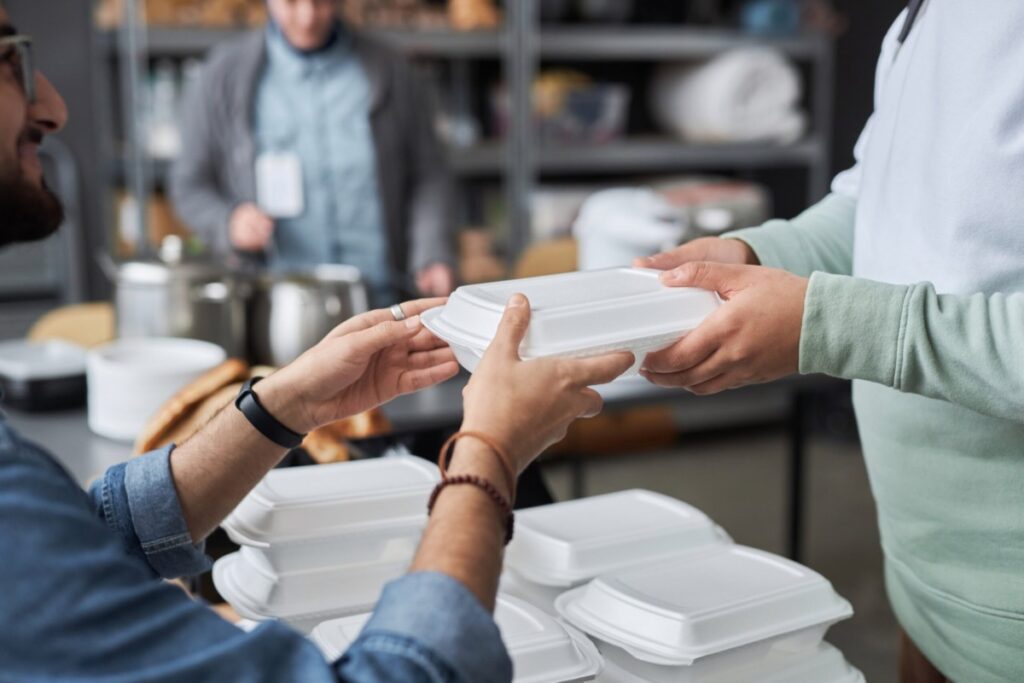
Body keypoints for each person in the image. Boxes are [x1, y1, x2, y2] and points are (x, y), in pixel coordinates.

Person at [0, 10, 634, 681]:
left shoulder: (388, 70)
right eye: (11, 60)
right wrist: (489, 453)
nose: (54, 105)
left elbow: (89, 534)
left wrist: (283, 405)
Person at [636, 4, 1024, 682]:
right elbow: (875, 200)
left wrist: (826, 324)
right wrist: (750, 252)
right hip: (924, 583)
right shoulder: (929, 14)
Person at [169, 0, 456, 306]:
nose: (307, 18)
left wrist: (431, 250)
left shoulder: (391, 70)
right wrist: (228, 223)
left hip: (382, 302)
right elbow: (189, 185)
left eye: (321, 2)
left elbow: (429, 173)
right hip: (278, 306)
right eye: (291, 3)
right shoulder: (223, 75)